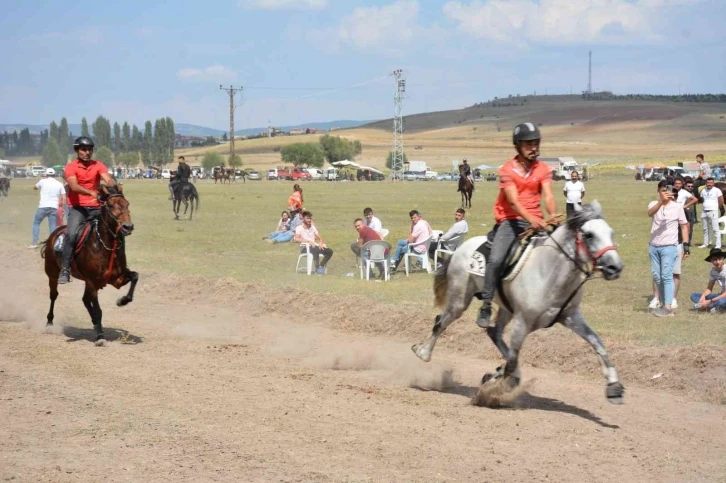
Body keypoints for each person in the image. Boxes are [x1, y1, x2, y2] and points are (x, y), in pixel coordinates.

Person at [475, 122, 557, 328]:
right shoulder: (506, 170)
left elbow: (548, 196)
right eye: (529, 144)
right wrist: (531, 219)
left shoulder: (543, 168)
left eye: (536, 143)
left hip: (537, 221)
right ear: (518, 146)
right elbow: (513, 202)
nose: (534, 148)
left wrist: (553, 214)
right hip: (510, 221)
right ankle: (486, 305)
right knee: (496, 259)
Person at [58, 136, 116, 284]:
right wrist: (91, 192)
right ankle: (65, 269)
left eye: (89, 149)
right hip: (78, 208)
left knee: (115, 230)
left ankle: (116, 264)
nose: (87, 152)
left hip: (97, 207)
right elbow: (73, 186)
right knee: (71, 235)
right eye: (83, 149)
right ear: (77, 150)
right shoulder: (71, 167)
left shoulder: (98, 165)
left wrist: (111, 184)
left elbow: (107, 179)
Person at [648, 180, 690, 317]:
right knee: (657, 276)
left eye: (667, 191)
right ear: (658, 191)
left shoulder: (677, 207)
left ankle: (667, 307)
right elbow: (650, 213)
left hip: (669, 246)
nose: (665, 193)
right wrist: (661, 202)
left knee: (667, 276)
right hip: (654, 246)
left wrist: (686, 245)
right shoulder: (653, 204)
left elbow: (684, 226)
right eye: (662, 191)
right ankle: (663, 303)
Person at [28, 168, 66, 249]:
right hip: (54, 207)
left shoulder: (42, 181)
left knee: (36, 223)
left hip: (43, 206)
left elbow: (34, 187)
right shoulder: (59, 184)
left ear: (46, 174)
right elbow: (63, 197)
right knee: (52, 226)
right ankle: (52, 243)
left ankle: (34, 243)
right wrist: (62, 207)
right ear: (54, 175)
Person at [294, 211, 333, 275]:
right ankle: (317, 268)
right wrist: (308, 241)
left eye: (310, 218)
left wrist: (320, 242)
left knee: (329, 251)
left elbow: (320, 237)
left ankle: (321, 266)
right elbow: (296, 239)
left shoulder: (312, 227)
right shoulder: (299, 228)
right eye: (307, 218)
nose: (309, 220)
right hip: (305, 248)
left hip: (314, 246)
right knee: (315, 249)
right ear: (303, 218)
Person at [691, 248, 726, 313]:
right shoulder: (713, 270)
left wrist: (709, 301)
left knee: (721, 301)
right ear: (711, 261)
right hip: (721, 295)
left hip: (724, 297)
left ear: (723, 259)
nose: (718, 262)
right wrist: (703, 296)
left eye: (719, 259)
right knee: (694, 295)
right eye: (715, 259)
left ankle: (708, 306)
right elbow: (709, 289)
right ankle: (712, 307)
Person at [699, 177, 723, 249]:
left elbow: (721, 200)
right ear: (706, 183)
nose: (709, 184)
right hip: (704, 211)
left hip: (713, 211)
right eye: (708, 182)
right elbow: (702, 199)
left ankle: (718, 245)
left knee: (715, 228)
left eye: (711, 183)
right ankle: (705, 243)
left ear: (713, 183)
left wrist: (716, 208)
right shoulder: (703, 190)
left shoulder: (717, 190)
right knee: (705, 228)